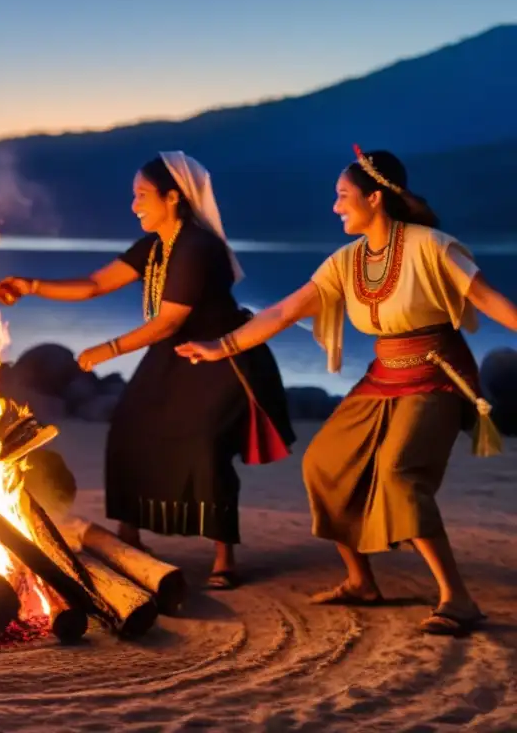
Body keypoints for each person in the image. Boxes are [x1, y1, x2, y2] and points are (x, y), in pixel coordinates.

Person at [176, 146, 517, 635]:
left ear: (375, 198)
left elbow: (489, 300)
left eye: (342, 196)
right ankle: (361, 581)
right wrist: (220, 346)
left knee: (400, 474)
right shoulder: (347, 261)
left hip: (435, 374)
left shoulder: (432, 246)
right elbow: (282, 312)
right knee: (323, 464)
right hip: (383, 376)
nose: (335, 207)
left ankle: (457, 598)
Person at [0, 152, 295, 588]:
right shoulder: (154, 246)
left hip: (219, 355)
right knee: (128, 429)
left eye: (141, 195)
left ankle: (223, 557)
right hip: (173, 354)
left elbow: (169, 321)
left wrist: (107, 349)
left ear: (173, 197)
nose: (134, 204)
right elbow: (97, 283)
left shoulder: (197, 246)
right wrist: (32, 286)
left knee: (203, 444)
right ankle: (130, 537)